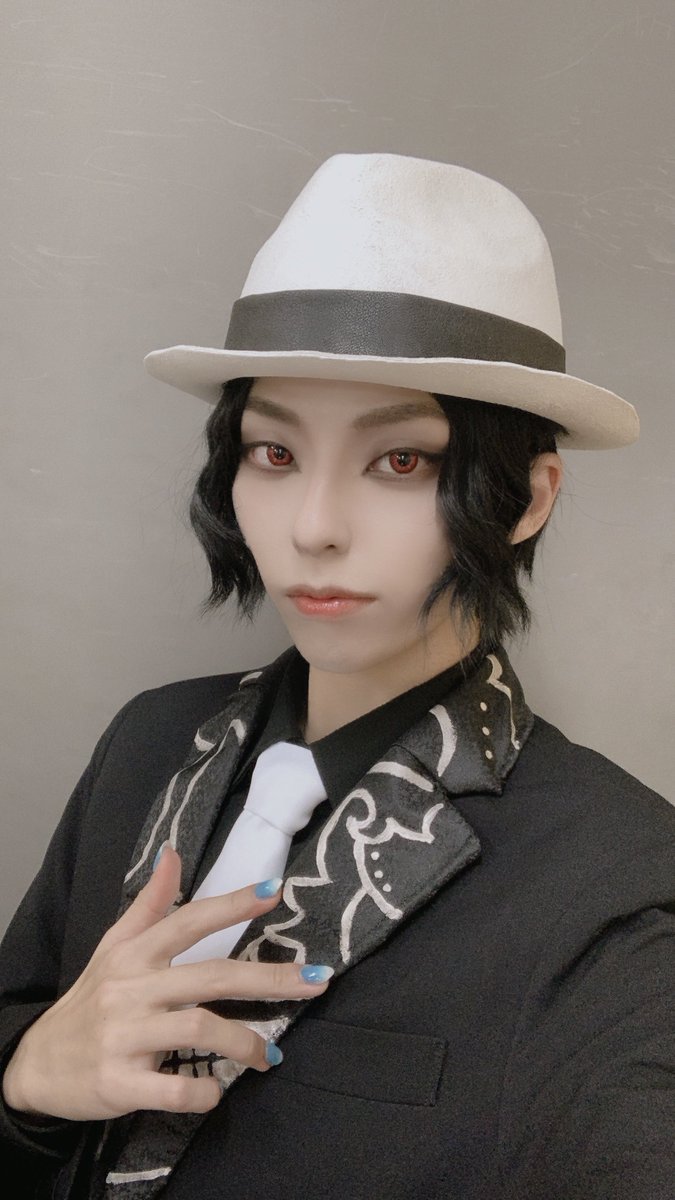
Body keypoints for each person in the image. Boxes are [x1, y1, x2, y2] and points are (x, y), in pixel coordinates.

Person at [1, 153, 673, 1200]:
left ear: (528, 498)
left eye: (400, 460)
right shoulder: (148, 742)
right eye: (273, 454)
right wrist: (29, 1081)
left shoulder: (618, 879)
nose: (313, 527)